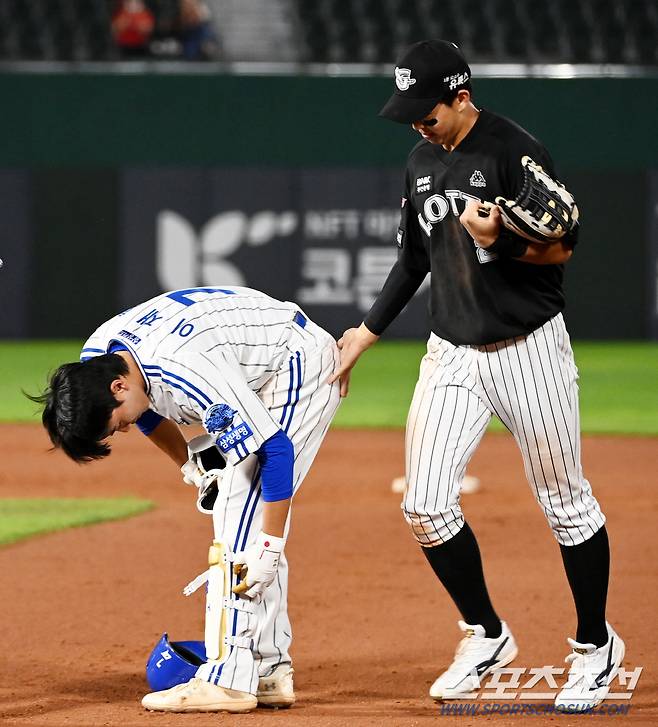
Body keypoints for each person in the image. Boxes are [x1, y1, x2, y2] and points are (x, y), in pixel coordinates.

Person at [330, 40, 624, 712]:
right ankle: (487, 632)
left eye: (425, 111)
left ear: (460, 95)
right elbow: (413, 259)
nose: (416, 124)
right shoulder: (420, 160)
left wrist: (505, 242)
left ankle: (594, 643)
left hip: (529, 349)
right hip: (452, 353)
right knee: (426, 503)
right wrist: (366, 334)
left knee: (566, 502)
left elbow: (563, 244)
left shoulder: (515, 151)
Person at [33, 286, 340, 713]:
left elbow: (275, 451)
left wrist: (270, 546)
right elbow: (147, 413)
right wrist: (192, 467)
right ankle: (269, 670)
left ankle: (229, 678)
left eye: (114, 423)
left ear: (118, 387)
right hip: (250, 357)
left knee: (240, 511)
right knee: (240, 509)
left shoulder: (181, 367)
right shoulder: (101, 359)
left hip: (296, 365)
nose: (120, 430)